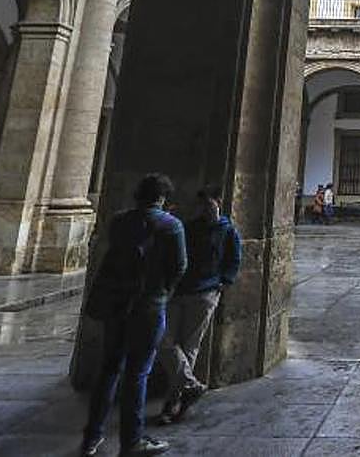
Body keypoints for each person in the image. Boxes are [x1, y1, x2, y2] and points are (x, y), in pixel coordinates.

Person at [81, 173, 187, 457]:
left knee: (108, 369)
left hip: (116, 304)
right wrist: (163, 290)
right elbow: (179, 267)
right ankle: (132, 441)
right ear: (163, 197)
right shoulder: (171, 225)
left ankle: (91, 437)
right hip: (149, 306)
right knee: (137, 373)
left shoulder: (119, 221)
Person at [157, 185, 241, 425]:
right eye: (201, 204)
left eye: (209, 204)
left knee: (190, 346)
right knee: (165, 340)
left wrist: (222, 283)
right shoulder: (188, 227)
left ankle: (173, 401)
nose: (205, 209)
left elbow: (234, 259)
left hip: (205, 292)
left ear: (218, 203)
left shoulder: (227, 230)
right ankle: (191, 385)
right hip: (179, 291)